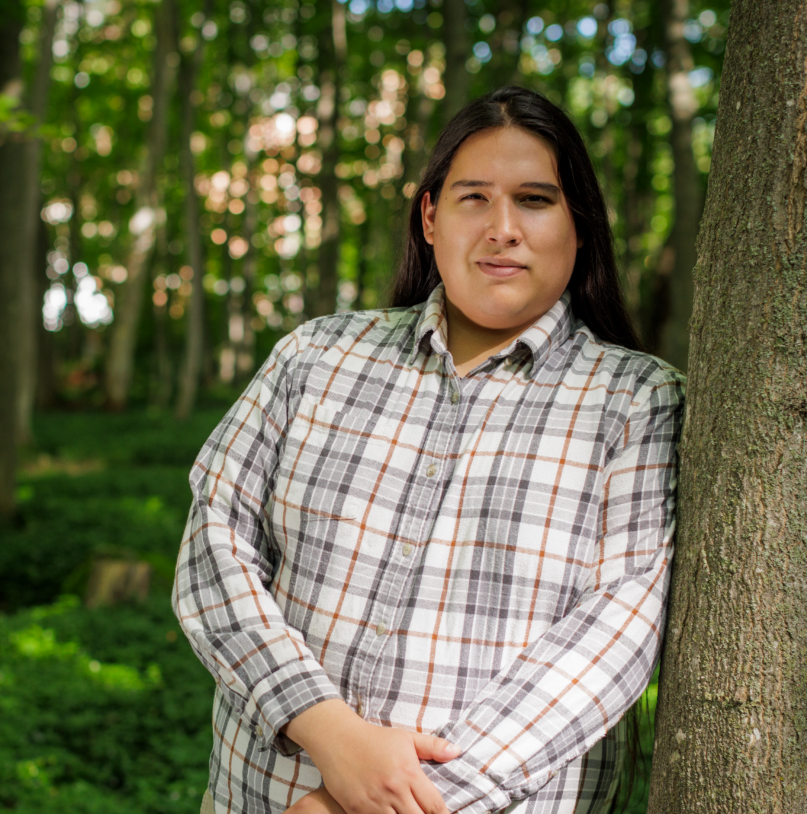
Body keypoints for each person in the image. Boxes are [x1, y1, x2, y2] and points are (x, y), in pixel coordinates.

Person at [172, 85, 684, 814]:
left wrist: (391, 804)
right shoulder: (315, 357)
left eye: (536, 200)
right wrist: (323, 729)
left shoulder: (638, 402)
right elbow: (213, 543)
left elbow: (618, 632)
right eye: (474, 197)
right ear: (432, 217)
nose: (502, 228)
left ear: (579, 227)